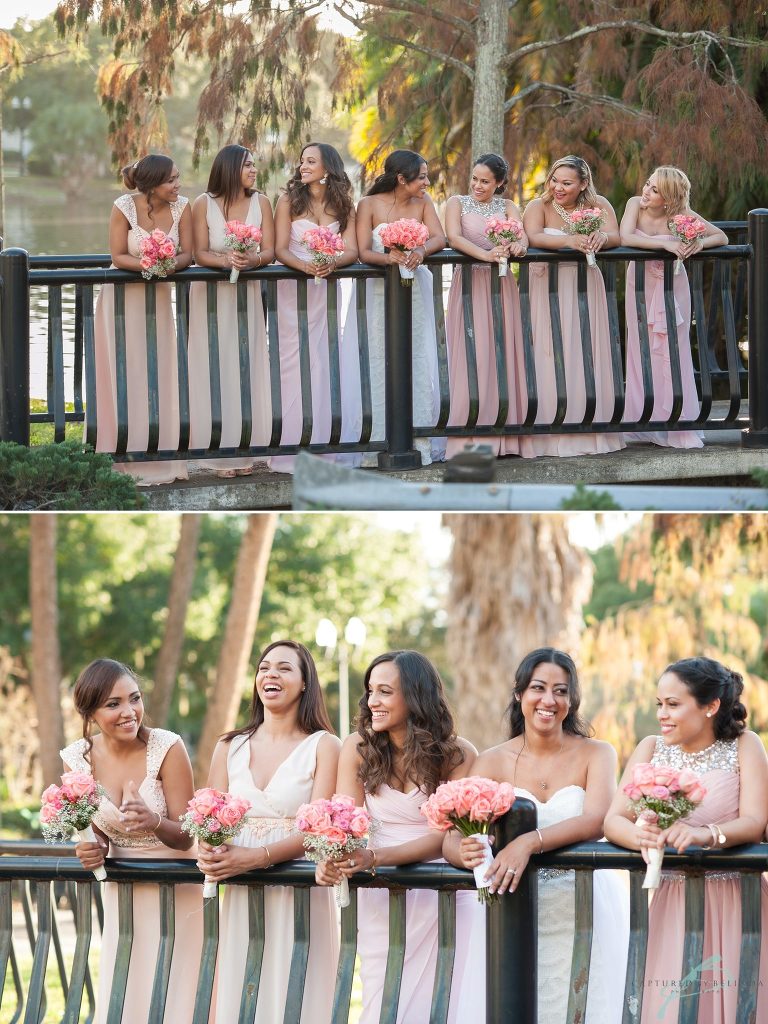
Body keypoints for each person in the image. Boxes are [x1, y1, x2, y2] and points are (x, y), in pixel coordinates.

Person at [444, 647, 628, 1024]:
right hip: (513, 910)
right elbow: (449, 835)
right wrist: (464, 852)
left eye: (561, 691)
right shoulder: (492, 761)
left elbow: (596, 820)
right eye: (538, 688)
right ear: (519, 695)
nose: (549, 700)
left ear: (572, 699)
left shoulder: (598, 754)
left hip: (586, 908)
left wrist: (528, 842)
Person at [315, 650, 480, 1023]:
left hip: (444, 892)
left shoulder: (457, 755)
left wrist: (376, 858)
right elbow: (345, 820)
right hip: (381, 895)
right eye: (370, 691)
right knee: (383, 1003)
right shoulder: (358, 748)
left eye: (385, 692)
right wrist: (332, 857)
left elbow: (448, 836)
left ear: (416, 696)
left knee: (448, 1003)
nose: (373, 701)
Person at [604, 656, 768, 1024]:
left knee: (740, 1003)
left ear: (711, 706)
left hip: (735, 899)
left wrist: (703, 835)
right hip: (672, 900)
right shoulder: (650, 748)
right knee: (671, 1006)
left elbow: (756, 822)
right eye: (659, 704)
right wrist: (640, 836)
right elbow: (613, 820)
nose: (662, 714)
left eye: (673, 704)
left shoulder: (745, 745)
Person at [197, 640, 341, 1024]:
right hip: (241, 890)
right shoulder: (229, 745)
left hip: (299, 889)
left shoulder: (325, 746)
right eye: (263, 667)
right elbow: (207, 817)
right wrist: (208, 849)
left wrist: (258, 858)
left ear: (305, 683)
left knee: (298, 991)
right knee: (242, 989)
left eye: (283, 668)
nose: (270, 674)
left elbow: (319, 829)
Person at [61, 658, 201, 1024]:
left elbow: (187, 837)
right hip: (124, 888)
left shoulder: (166, 747)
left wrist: (153, 820)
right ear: (89, 712)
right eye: (113, 704)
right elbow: (101, 831)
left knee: (179, 987)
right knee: (129, 983)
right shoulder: (77, 760)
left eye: (134, 698)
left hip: (178, 885)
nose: (129, 712)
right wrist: (95, 847)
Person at [339, 150, 447, 467]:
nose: (427, 182)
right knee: (377, 359)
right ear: (402, 178)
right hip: (378, 292)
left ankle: (420, 441)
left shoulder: (424, 204)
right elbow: (361, 252)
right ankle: (377, 443)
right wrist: (389, 258)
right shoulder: (369, 205)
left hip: (415, 291)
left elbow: (440, 237)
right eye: (422, 176)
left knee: (418, 358)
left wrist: (420, 249)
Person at [90, 154, 193, 484]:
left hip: (159, 301)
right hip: (121, 299)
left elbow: (187, 253)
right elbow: (117, 255)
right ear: (152, 184)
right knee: (124, 370)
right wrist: (148, 266)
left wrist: (167, 267)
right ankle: (120, 454)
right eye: (171, 180)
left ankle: (159, 455)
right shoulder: (124, 206)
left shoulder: (183, 207)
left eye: (178, 178)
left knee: (158, 371)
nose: (178, 185)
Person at [521, 156, 625, 458]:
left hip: (584, 284)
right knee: (547, 347)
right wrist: (570, 241)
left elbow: (616, 235)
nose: (558, 187)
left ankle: (588, 426)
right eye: (555, 180)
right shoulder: (537, 206)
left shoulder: (599, 204)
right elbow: (533, 237)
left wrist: (601, 237)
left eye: (566, 183)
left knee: (585, 347)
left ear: (583, 184)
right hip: (546, 286)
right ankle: (546, 431)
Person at [620, 167, 728, 448]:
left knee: (673, 349)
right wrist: (666, 247)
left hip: (673, 287)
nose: (645, 191)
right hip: (641, 285)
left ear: (668, 199)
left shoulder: (681, 215)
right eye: (647, 184)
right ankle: (644, 418)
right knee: (641, 345)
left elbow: (721, 237)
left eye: (654, 190)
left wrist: (698, 243)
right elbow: (625, 237)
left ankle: (676, 419)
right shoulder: (634, 204)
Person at [269, 143, 358, 473]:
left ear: (328, 169)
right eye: (302, 161)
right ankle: (289, 447)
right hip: (292, 287)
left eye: (311, 161)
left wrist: (330, 262)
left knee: (322, 359)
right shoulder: (289, 202)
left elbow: (354, 250)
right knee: (292, 359)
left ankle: (321, 444)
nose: (303, 166)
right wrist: (305, 267)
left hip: (326, 290)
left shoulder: (345, 206)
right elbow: (279, 249)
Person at [188, 144, 275, 476]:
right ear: (228, 168)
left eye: (254, 165)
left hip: (247, 294)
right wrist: (226, 260)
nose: (254, 170)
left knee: (245, 364)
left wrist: (251, 260)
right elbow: (198, 253)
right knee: (212, 364)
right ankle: (219, 453)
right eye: (247, 165)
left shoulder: (261, 202)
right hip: (210, 296)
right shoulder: (202, 204)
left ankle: (247, 449)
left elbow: (268, 251)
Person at [444, 154, 528, 458]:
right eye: (475, 179)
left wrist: (519, 246)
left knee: (502, 351)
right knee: (472, 354)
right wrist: (486, 255)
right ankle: (468, 438)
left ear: (500, 183)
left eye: (485, 181)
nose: (477, 185)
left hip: (502, 285)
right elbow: (453, 237)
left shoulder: (508, 207)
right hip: (469, 283)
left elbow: (523, 236)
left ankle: (505, 435)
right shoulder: (456, 203)